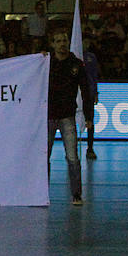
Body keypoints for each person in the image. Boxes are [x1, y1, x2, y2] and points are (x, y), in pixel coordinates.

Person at [47, 28, 92, 205]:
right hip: (48, 116)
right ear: (53, 44)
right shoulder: (46, 62)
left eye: (64, 40)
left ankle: (77, 194)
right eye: (58, 41)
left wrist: (89, 116)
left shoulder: (76, 64)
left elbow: (86, 91)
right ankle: (43, 192)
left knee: (72, 157)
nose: (62, 44)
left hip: (67, 116)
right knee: (45, 156)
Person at [82, 44, 100, 160]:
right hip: (74, 93)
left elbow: (94, 75)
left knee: (89, 121)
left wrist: (96, 92)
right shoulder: (71, 54)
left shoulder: (91, 57)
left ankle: (90, 148)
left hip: (88, 92)